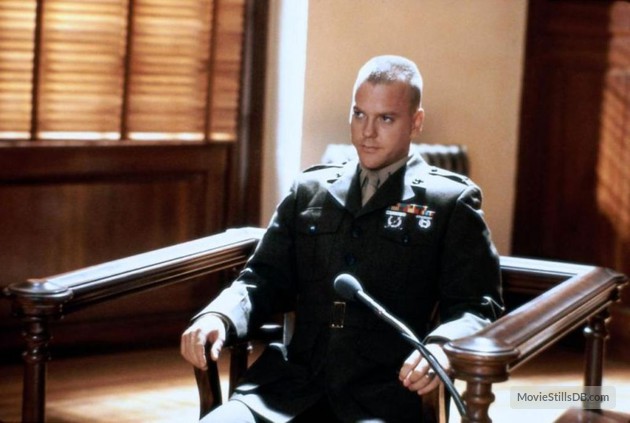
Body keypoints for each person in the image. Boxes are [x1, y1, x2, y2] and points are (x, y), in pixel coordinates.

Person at [181, 55, 502, 422]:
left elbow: (478, 308)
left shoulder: (449, 202)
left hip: (385, 397)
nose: (367, 132)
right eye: (359, 114)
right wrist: (220, 315)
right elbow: (262, 278)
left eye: (385, 119)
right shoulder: (310, 189)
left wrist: (441, 348)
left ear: (416, 122)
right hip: (288, 390)